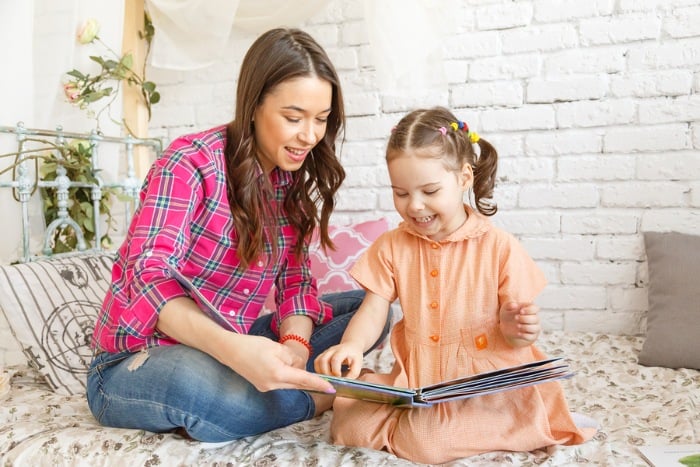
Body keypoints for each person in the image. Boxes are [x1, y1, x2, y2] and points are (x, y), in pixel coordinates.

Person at [86, 27, 391, 442]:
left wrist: (297, 348)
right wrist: (235, 351)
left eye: (320, 120)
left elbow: (295, 284)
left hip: (233, 342)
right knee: (192, 383)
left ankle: (278, 383)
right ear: (253, 105)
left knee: (370, 309)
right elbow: (148, 275)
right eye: (293, 117)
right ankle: (323, 395)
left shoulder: (288, 182)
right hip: (135, 361)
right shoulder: (188, 164)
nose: (309, 135)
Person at [315, 106, 597, 464]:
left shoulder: (499, 246)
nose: (414, 206)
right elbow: (374, 307)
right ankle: (412, 417)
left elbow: (521, 337)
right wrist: (352, 346)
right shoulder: (393, 245)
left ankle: (527, 420)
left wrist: (515, 331)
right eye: (400, 193)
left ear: (464, 177)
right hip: (422, 376)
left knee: (426, 444)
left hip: (481, 381)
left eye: (429, 190)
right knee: (347, 425)